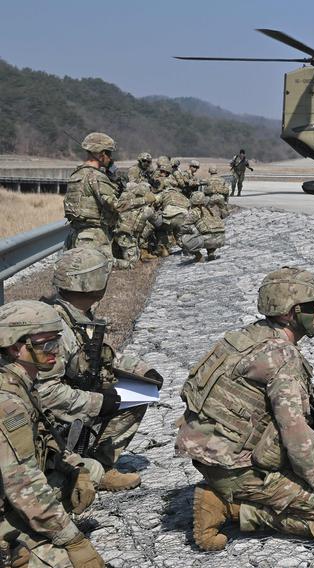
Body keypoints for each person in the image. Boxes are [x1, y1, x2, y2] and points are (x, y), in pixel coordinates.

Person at [175, 267, 314, 550]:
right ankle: (226, 507)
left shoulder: (246, 337)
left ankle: (225, 490)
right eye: (313, 307)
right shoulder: (281, 356)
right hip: (233, 469)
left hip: (207, 452)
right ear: (289, 313)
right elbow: (295, 431)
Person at [37, 248, 159, 491]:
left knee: (139, 391)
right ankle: (88, 469)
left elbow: (99, 354)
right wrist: (98, 403)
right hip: (47, 417)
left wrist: (141, 370)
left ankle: (97, 463)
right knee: (117, 400)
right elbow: (45, 394)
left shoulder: (73, 313)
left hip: (72, 393)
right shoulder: (57, 328)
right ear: (92, 284)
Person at [0, 301, 105, 568]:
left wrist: (76, 468)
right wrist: (73, 540)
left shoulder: (21, 379)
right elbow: (23, 484)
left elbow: (43, 435)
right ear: (16, 347)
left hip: (12, 490)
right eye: (46, 344)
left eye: (56, 342)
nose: (55, 352)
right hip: (12, 495)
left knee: (90, 471)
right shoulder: (7, 403)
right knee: (66, 563)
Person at [63, 132, 139, 268]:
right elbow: (117, 206)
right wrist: (144, 199)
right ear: (101, 154)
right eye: (109, 154)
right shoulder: (97, 176)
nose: (110, 158)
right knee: (115, 268)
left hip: (75, 235)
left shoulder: (75, 174)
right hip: (95, 236)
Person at [112, 181, 157, 269]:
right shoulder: (147, 210)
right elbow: (157, 222)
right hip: (125, 238)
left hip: (119, 235)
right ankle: (112, 263)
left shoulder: (125, 205)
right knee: (132, 263)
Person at [180, 191, 226, 262]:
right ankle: (211, 252)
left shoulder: (194, 211)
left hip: (209, 240)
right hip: (221, 239)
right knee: (208, 232)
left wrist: (192, 231)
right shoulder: (211, 209)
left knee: (184, 238)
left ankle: (199, 256)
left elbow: (184, 226)